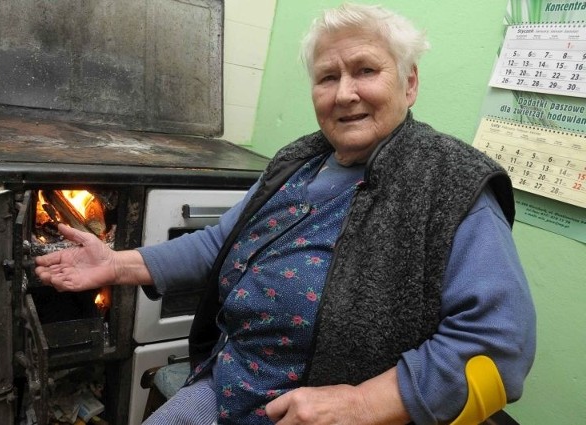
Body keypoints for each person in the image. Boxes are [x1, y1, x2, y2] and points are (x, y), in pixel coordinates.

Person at [35, 3, 536, 424]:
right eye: (327, 77)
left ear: (409, 84)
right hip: (231, 382)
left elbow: (500, 350)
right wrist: (118, 264)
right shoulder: (299, 161)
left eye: (366, 70)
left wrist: (362, 404)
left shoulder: (449, 183)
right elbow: (219, 244)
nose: (344, 93)